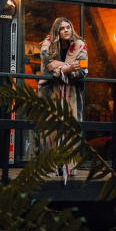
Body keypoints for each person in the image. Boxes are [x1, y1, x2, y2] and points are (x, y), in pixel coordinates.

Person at [38, 17, 88, 176]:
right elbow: (47, 69)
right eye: (62, 28)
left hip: (72, 94)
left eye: (68, 27)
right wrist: (67, 68)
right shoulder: (47, 44)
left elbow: (83, 70)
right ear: (56, 31)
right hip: (50, 92)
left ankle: (69, 169)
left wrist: (59, 66)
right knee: (50, 129)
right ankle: (50, 168)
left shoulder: (80, 45)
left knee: (71, 129)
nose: (66, 30)